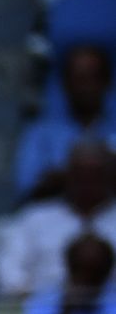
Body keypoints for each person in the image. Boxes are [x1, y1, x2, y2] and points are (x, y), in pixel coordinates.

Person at [0, 138, 116, 299]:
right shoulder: (34, 219)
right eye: (81, 174)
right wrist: (53, 300)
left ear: (110, 176)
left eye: (95, 174)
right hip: (45, 312)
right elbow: (8, 280)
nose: (88, 182)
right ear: (67, 176)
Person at [18, 43, 116, 200]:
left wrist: (65, 176)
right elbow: (28, 189)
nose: (86, 87)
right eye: (80, 78)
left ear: (107, 81)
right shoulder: (41, 133)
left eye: (94, 77)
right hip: (56, 218)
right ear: (66, 83)